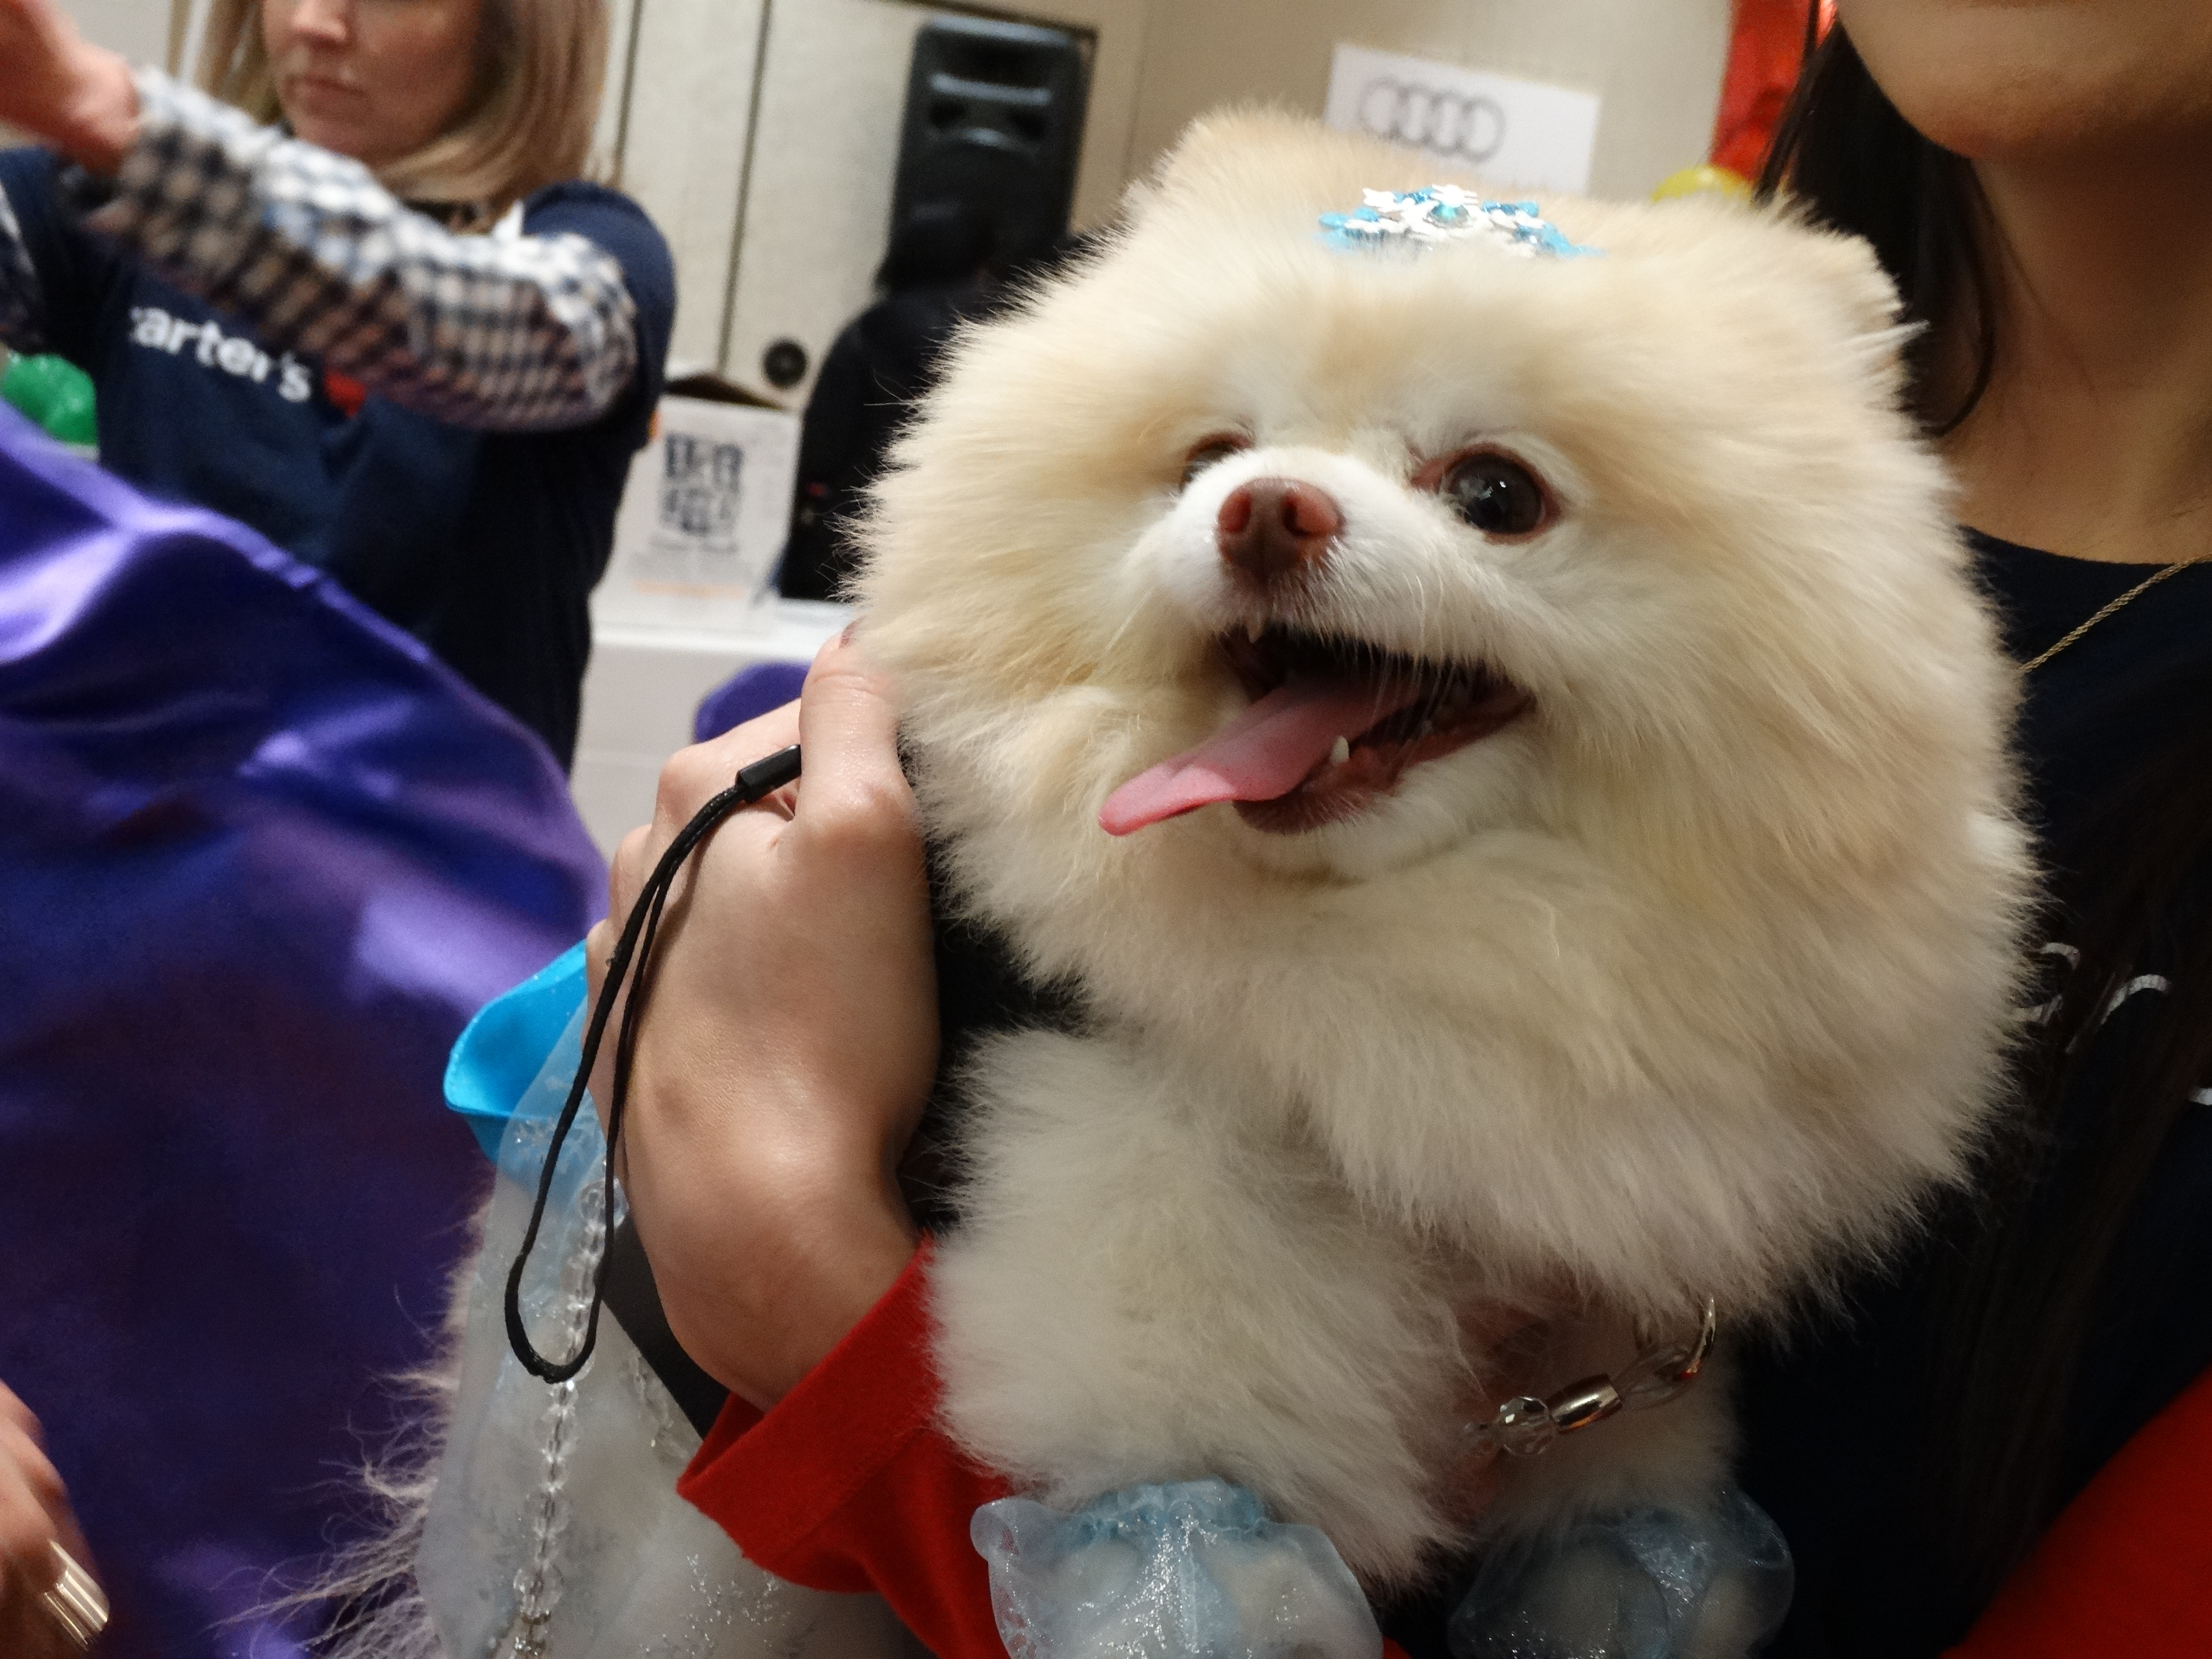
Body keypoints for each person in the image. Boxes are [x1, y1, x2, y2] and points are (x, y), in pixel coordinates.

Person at [580, 2, 2212, 1654]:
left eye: (1493, 498)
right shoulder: (1642, 328)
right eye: (1215, 454)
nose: (1277, 503)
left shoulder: (1796, 509)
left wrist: (823, 1304)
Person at [0, 0, 675, 766]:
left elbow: (466, 320)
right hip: (145, 848)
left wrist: (114, 121)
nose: (315, 22)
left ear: (511, 30)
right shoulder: (117, 200)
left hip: (429, 871)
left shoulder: (598, 251)